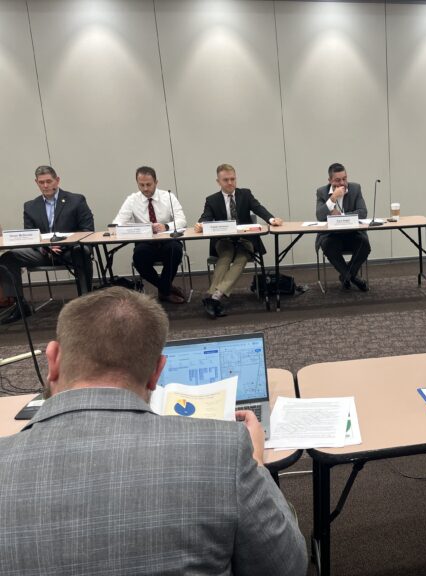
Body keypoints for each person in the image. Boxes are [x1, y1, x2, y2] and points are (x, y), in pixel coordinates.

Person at [0, 287, 307, 575]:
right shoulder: (224, 450)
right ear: (157, 373)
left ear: (52, 359)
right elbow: (287, 566)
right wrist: (256, 463)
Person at [0, 165, 94, 324]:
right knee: (9, 257)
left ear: (57, 180)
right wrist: (44, 248)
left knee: (82, 251)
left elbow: (87, 229)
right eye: (41, 182)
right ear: (36, 183)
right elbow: (30, 236)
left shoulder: (76, 200)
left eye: (49, 181)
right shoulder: (30, 206)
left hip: (70, 250)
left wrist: (64, 244)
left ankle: (85, 303)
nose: (45, 186)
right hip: (43, 252)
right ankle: (20, 305)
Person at [195, 164, 284, 319]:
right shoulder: (212, 200)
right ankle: (214, 297)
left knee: (242, 258)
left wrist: (271, 219)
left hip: (245, 239)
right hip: (224, 240)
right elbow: (206, 216)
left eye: (233, 179)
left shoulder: (245, 194)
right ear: (218, 182)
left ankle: (213, 296)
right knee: (225, 257)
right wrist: (201, 223)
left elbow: (258, 208)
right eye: (226, 180)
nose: (230, 183)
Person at [113, 166, 187, 303]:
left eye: (149, 184)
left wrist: (165, 226)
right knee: (139, 257)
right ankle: (166, 289)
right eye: (141, 185)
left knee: (175, 250)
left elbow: (182, 220)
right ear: (137, 183)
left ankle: (164, 290)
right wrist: (137, 228)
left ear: (156, 182)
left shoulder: (168, 196)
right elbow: (117, 223)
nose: (145, 188)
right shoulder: (132, 200)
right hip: (145, 242)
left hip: (166, 239)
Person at [315, 163, 371, 291]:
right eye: (338, 180)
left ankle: (346, 276)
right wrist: (333, 198)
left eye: (344, 179)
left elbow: (363, 212)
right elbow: (319, 216)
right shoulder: (322, 192)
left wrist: (342, 216)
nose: (342, 183)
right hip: (332, 235)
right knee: (328, 246)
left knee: (364, 244)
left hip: (352, 233)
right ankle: (351, 277)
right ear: (330, 180)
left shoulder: (355, 188)